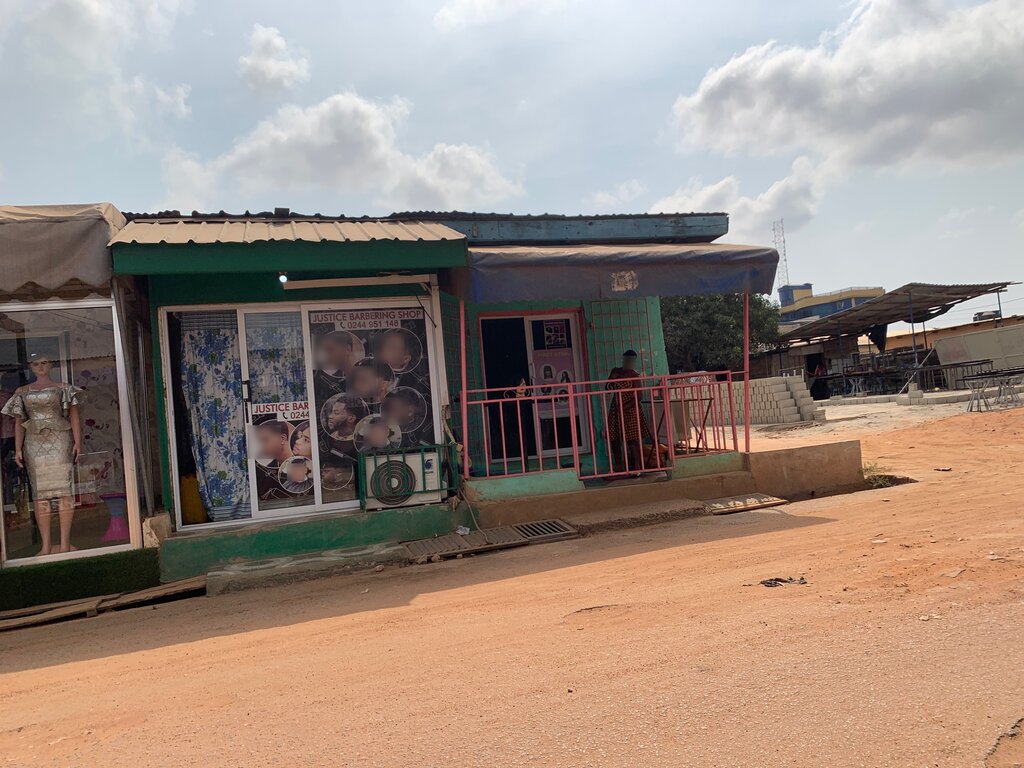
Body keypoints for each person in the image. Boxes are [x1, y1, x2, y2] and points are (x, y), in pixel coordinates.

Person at [2, 354, 82, 555]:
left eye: (44, 362)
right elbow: (19, 422)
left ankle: (65, 543)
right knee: (40, 494)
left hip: (60, 439)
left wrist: (78, 442)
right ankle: (46, 545)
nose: (40, 367)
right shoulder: (22, 392)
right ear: (30, 366)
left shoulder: (63, 388)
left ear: (51, 364)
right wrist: (18, 448)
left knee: (64, 490)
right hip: (33, 442)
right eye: (36, 363)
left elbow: (74, 415)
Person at [605, 350, 652, 474]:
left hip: (631, 410)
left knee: (632, 439)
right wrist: (612, 379)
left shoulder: (635, 376)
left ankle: (637, 468)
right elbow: (607, 388)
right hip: (616, 409)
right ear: (623, 360)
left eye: (631, 361)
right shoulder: (615, 371)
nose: (628, 363)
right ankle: (619, 466)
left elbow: (639, 396)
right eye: (626, 360)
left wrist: (624, 407)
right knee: (614, 438)